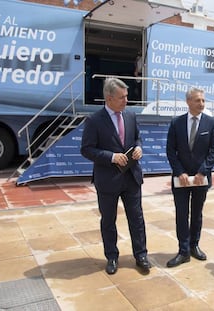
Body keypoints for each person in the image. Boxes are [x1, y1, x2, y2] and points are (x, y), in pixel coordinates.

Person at [80, 78, 150, 275]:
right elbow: (86, 149)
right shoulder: (94, 121)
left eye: (126, 96)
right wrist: (111, 157)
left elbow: (137, 137)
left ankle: (141, 255)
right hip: (108, 180)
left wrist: (138, 148)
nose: (126, 101)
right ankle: (112, 257)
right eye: (122, 97)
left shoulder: (130, 116)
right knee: (108, 220)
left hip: (132, 178)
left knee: (137, 218)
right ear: (109, 98)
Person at [166, 87, 214, 267]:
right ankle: (183, 251)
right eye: (198, 100)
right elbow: (170, 151)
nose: (201, 104)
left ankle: (194, 246)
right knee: (182, 214)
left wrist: (202, 171)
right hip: (180, 179)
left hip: (200, 179)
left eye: (203, 100)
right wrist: (180, 171)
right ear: (188, 101)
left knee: (197, 214)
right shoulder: (176, 123)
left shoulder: (211, 124)